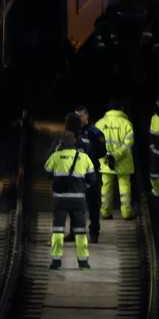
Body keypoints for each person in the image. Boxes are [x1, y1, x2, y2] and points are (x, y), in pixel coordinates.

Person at [44, 130, 96, 270]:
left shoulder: (56, 156)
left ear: (61, 142)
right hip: (78, 200)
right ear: (74, 141)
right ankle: (83, 263)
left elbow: (47, 173)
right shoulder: (84, 157)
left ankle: (56, 262)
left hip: (60, 199)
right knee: (80, 231)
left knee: (58, 230)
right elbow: (92, 178)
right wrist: (83, 188)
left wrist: (55, 152)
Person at [96, 98, 136, 220]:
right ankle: (126, 213)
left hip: (105, 161)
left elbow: (97, 145)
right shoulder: (126, 124)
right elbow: (128, 145)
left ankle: (106, 212)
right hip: (123, 162)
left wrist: (109, 156)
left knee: (106, 187)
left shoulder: (100, 123)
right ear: (121, 109)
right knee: (124, 187)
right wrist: (116, 155)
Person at [74, 105, 106, 243]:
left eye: (81, 116)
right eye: (76, 116)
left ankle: (94, 233)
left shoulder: (95, 132)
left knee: (93, 204)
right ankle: (74, 232)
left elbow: (102, 151)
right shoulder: (72, 131)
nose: (78, 119)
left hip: (90, 172)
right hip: (75, 173)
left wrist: (88, 156)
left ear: (87, 116)